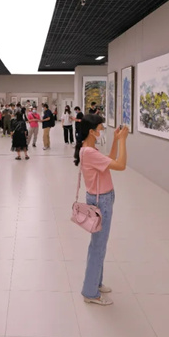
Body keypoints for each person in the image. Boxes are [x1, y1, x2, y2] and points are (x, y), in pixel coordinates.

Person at [74, 114, 128, 306]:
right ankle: (90, 292)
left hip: (101, 198)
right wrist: (123, 141)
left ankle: (95, 282)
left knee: (98, 244)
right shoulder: (89, 152)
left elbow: (109, 160)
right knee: (98, 246)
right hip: (101, 201)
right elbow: (121, 165)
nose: (102, 130)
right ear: (91, 131)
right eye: (100, 128)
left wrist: (115, 140)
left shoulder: (87, 150)